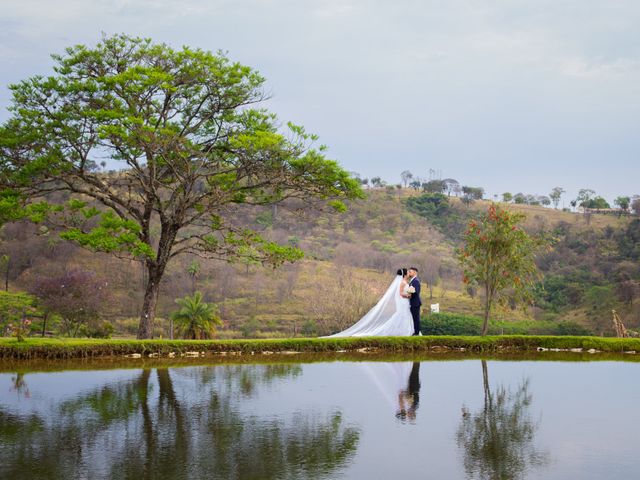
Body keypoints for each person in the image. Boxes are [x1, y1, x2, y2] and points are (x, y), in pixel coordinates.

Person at [324, 268, 414, 337]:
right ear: (404, 274)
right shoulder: (402, 283)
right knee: (401, 314)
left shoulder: (404, 281)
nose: (408, 274)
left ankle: (404, 331)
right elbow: (400, 294)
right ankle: (402, 331)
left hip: (404, 301)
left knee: (404, 314)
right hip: (403, 300)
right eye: (407, 273)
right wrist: (408, 295)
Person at [407, 267, 422, 335]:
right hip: (412, 302)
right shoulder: (412, 280)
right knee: (413, 318)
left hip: (415, 303)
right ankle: (414, 331)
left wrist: (410, 293)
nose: (409, 273)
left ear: (415, 272)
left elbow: (416, 292)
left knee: (416, 318)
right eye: (409, 272)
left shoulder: (416, 281)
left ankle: (416, 332)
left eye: (410, 271)